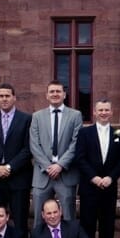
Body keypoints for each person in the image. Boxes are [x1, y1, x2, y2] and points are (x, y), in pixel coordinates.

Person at [77, 98, 120, 238]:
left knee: (108, 225)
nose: (104, 113)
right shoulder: (84, 133)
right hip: (89, 187)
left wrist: (110, 178)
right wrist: (94, 177)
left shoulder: (118, 134)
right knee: (87, 224)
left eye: (107, 110)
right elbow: (80, 158)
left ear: (111, 112)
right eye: (101, 110)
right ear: (94, 112)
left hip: (109, 187)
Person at [0, 83, 32, 232]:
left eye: (7, 96)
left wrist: (9, 167)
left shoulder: (26, 119)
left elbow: (28, 149)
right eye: (1, 96)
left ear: (14, 98)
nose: (4, 99)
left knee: (20, 223)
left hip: (18, 178)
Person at [29, 80, 83, 222]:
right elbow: (34, 144)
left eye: (58, 91)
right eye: (52, 91)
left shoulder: (75, 115)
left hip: (66, 174)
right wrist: (47, 166)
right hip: (42, 175)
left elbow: (76, 143)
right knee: (39, 219)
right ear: (46, 95)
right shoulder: (37, 116)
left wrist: (60, 165)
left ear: (64, 94)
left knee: (68, 217)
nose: (55, 94)